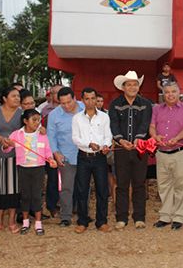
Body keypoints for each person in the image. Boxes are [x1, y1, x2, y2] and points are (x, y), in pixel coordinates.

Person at [109, 71, 152, 230]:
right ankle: (121, 218)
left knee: (139, 183)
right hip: (121, 149)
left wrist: (138, 139)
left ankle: (139, 217)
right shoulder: (115, 104)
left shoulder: (146, 104)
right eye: (129, 84)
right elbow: (113, 124)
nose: (132, 87)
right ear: (123, 87)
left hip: (140, 149)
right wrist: (121, 140)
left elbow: (145, 124)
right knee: (121, 184)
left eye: (135, 84)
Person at [5, 109, 56, 236]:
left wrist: (50, 159)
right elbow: (6, 148)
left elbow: (47, 150)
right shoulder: (17, 134)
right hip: (23, 168)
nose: (37, 122)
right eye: (34, 120)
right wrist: (7, 145)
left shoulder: (42, 134)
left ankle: (38, 223)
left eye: (38, 120)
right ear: (25, 121)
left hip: (38, 168)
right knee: (25, 195)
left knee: (37, 195)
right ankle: (25, 222)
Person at [150, 82, 183, 231]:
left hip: (180, 152)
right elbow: (152, 126)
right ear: (163, 94)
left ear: (178, 92)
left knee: (181, 185)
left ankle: (179, 217)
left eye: (173, 91)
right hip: (161, 153)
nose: (170, 94)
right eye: (167, 92)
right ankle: (165, 216)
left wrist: (177, 138)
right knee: (164, 185)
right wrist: (155, 136)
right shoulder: (156, 109)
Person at [71, 87, 113, 234]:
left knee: (102, 189)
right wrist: (88, 144)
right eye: (87, 98)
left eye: (93, 98)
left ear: (97, 99)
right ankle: (82, 221)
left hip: (100, 158)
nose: (90, 101)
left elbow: (108, 135)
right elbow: (75, 138)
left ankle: (102, 221)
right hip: (83, 156)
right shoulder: (76, 118)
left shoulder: (104, 117)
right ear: (82, 100)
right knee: (82, 190)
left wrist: (106, 145)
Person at [0, 86, 23, 234]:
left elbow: (25, 132)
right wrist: (2, 140)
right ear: (4, 98)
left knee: (14, 189)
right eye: (14, 96)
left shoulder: (21, 113)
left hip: (15, 156)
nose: (17, 99)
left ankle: (12, 221)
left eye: (18, 96)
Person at [48, 87, 85, 227]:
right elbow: (51, 136)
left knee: (84, 187)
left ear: (75, 98)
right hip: (66, 156)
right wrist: (56, 152)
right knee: (66, 188)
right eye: (62, 103)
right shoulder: (54, 115)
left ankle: (83, 214)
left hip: (84, 154)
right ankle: (65, 217)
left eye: (69, 102)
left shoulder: (85, 108)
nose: (66, 106)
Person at [39, 84, 62, 218]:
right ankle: (52, 206)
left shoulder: (71, 108)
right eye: (54, 93)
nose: (57, 96)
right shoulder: (44, 110)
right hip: (50, 149)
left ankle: (68, 205)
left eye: (60, 93)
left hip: (67, 148)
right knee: (53, 179)